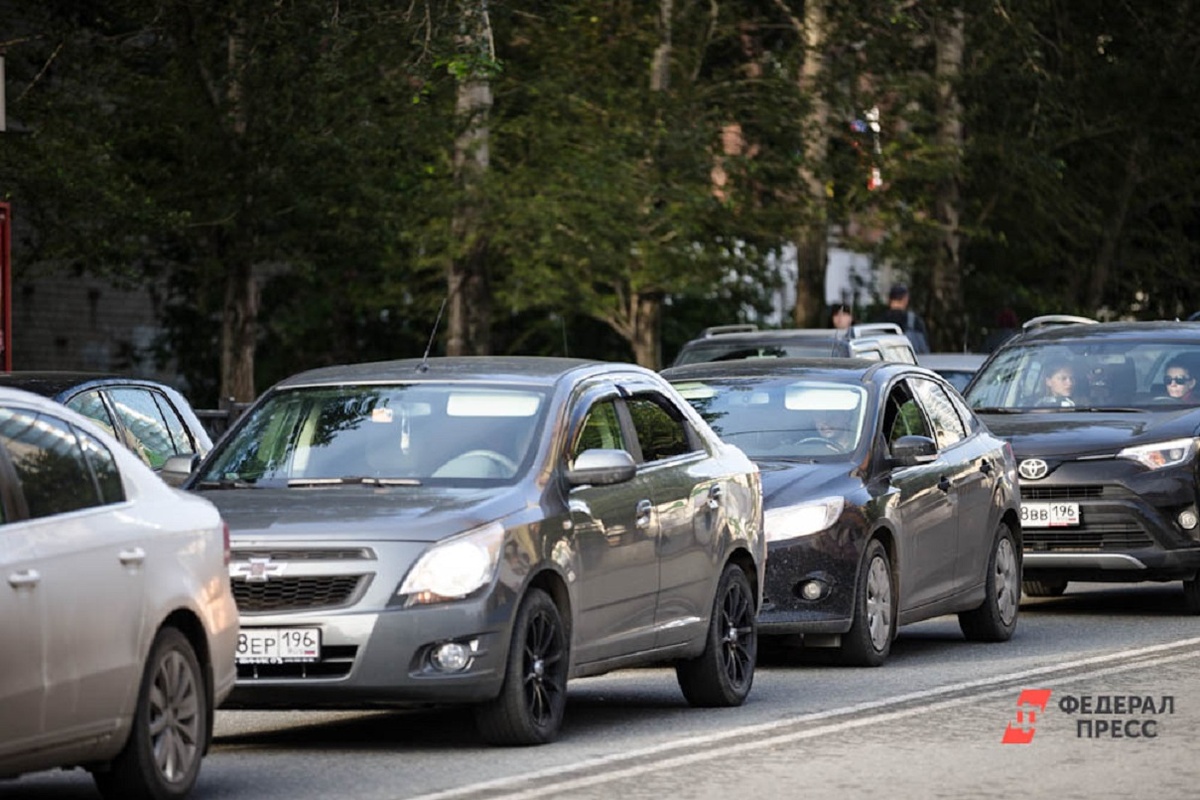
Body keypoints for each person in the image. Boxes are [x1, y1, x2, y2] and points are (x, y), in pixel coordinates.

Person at [875, 284, 930, 354]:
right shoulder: (915, 322)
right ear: (905, 299)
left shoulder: (879, 322)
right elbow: (924, 349)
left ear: (889, 299)